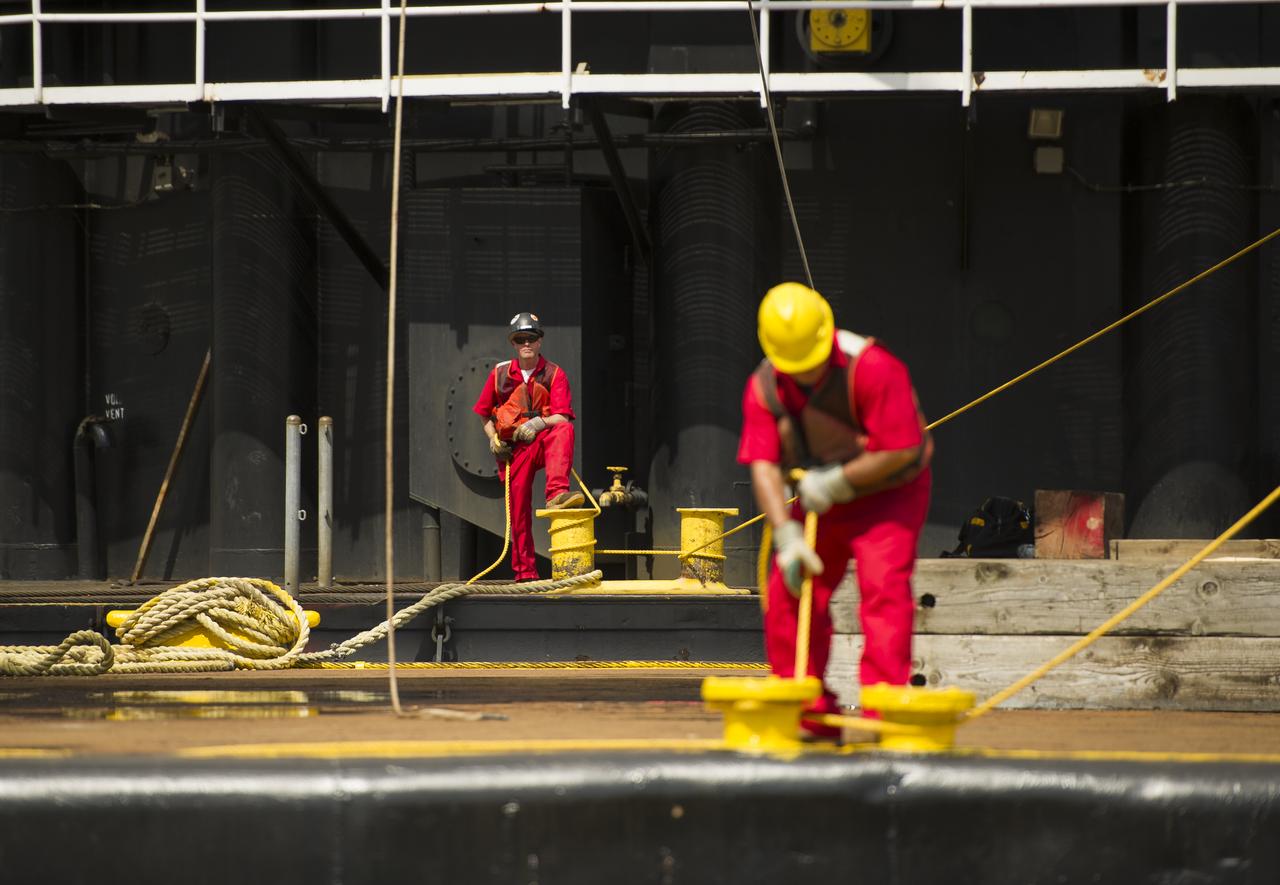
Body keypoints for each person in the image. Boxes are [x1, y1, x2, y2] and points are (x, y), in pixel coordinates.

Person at [738, 282, 933, 737]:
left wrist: (841, 481)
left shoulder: (874, 367)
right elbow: (763, 465)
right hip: (818, 501)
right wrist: (785, 536)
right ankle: (804, 705)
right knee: (792, 589)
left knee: (884, 588)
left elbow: (903, 449)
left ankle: (885, 710)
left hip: (888, 497)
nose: (805, 375)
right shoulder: (764, 387)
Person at [473, 312, 584, 582]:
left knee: (563, 429)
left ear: (539, 341)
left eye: (531, 338)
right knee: (518, 509)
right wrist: (493, 439)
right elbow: (484, 413)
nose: (526, 343)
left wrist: (538, 424)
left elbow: (563, 417)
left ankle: (557, 493)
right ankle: (525, 574)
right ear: (513, 343)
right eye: (520, 338)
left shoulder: (555, 374)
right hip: (516, 451)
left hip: (543, 441)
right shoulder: (499, 374)